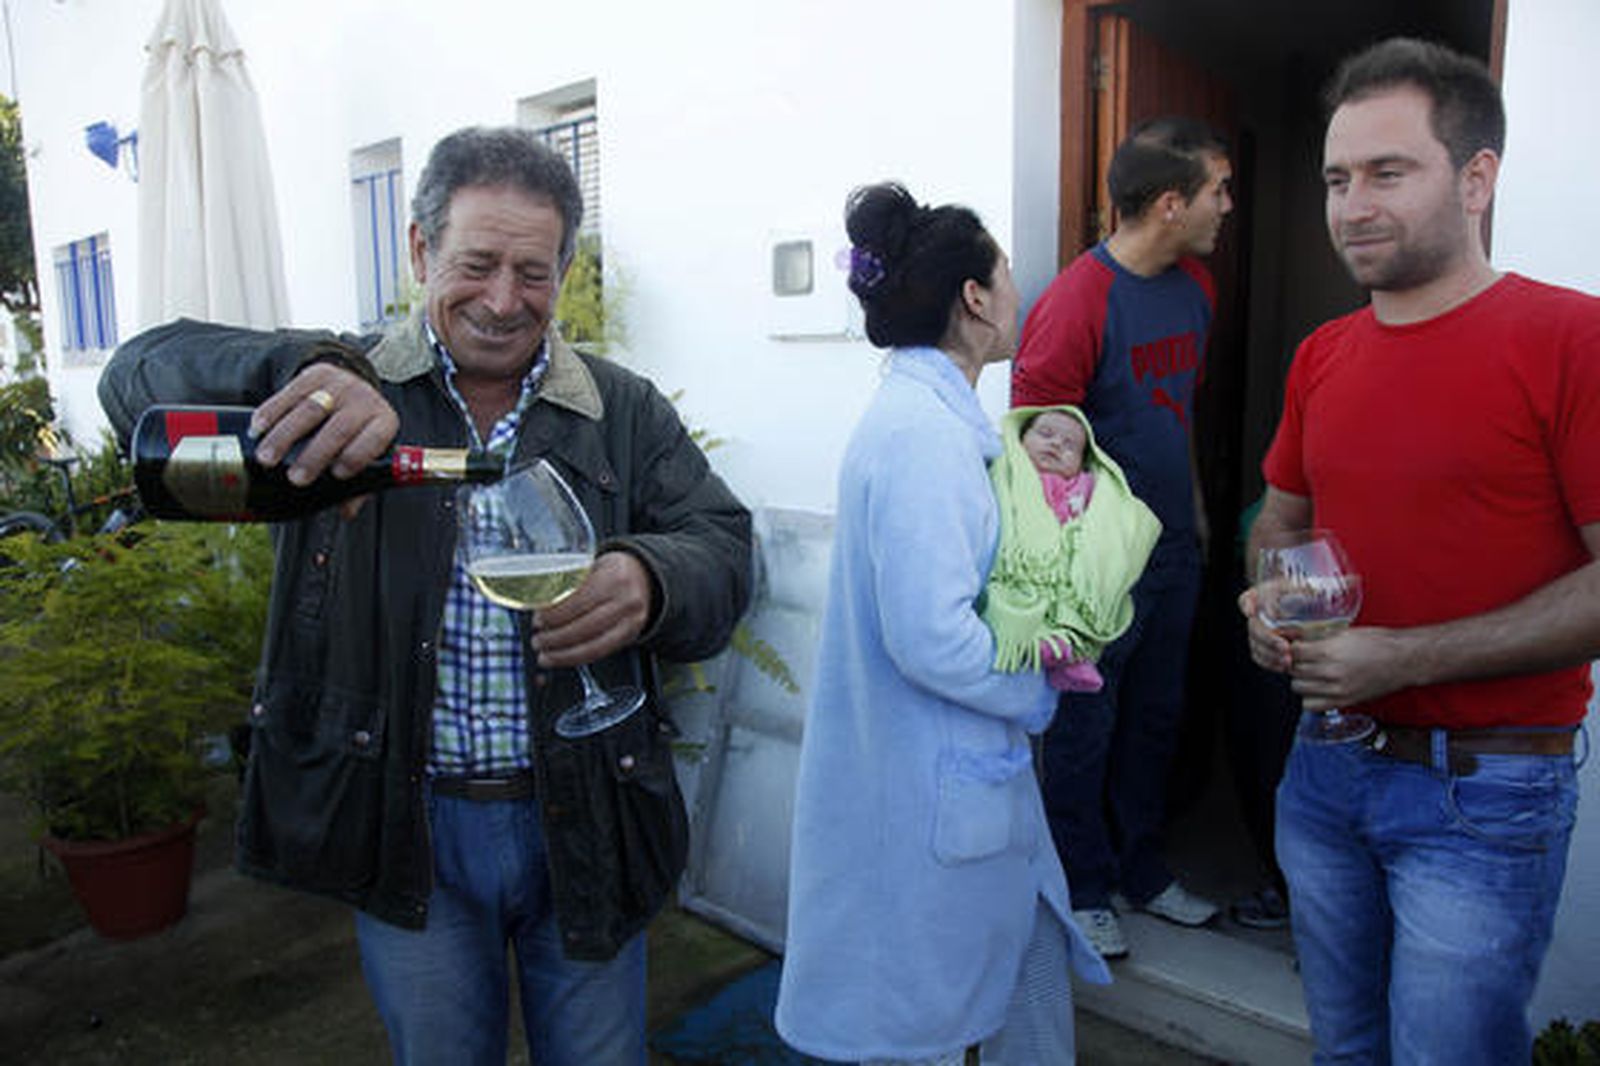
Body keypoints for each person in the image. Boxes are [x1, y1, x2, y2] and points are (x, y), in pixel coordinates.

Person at [98, 126, 753, 1066]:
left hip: (589, 816)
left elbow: (725, 545)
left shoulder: (623, 408)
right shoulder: (336, 394)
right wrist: (291, 371)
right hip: (412, 825)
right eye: (477, 262)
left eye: (534, 271)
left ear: (564, 273)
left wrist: (652, 579)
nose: (502, 299)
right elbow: (135, 375)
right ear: (419, 251)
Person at [1241, 38, 1598, 1063]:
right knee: (1344, 1051)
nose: (1351, 203)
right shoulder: (1323, 353)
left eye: (1387, 172)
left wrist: (1403, 656)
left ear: (1475, 177)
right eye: (1336, 178)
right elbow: (1280, 519)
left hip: (1482, 795)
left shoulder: (1572, 340)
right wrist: (1272, 598)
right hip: (1322, 773)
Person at [775, 182, 1110, 1066]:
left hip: (951, 774)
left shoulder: (937, 420)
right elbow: (931, 636)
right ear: (973, 298)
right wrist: (1043, 674)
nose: (1015, 289)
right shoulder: (923, 436)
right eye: (1005, 272)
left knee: (1000, 989)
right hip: (931, 784)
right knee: (936, 1018)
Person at [1012, 115, 1234, 957]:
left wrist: (1201, 519)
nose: (1227, 207)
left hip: (1174, 551)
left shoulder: (1196, 291)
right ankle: (1084, 885)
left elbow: (1175, 417)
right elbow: (1033, 454)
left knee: (1158, 716)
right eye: (1218, 190)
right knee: (1084, 729)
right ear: (1170, 203)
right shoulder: (1077, 303)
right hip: (1095, 568)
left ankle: (1144, 870)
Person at [984, 405, 1160, 694]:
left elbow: (1105, 522)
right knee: (1013, 598)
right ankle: (1035, 642)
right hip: (1023, 566)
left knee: (1072, 605)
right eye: (1045, 434)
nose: (1055, 444)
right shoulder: (1008, 472)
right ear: (1021, 437)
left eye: (1070, 446)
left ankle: (1071, 656)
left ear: (1083, 460)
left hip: (1066, 570)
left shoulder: (1083, 486)